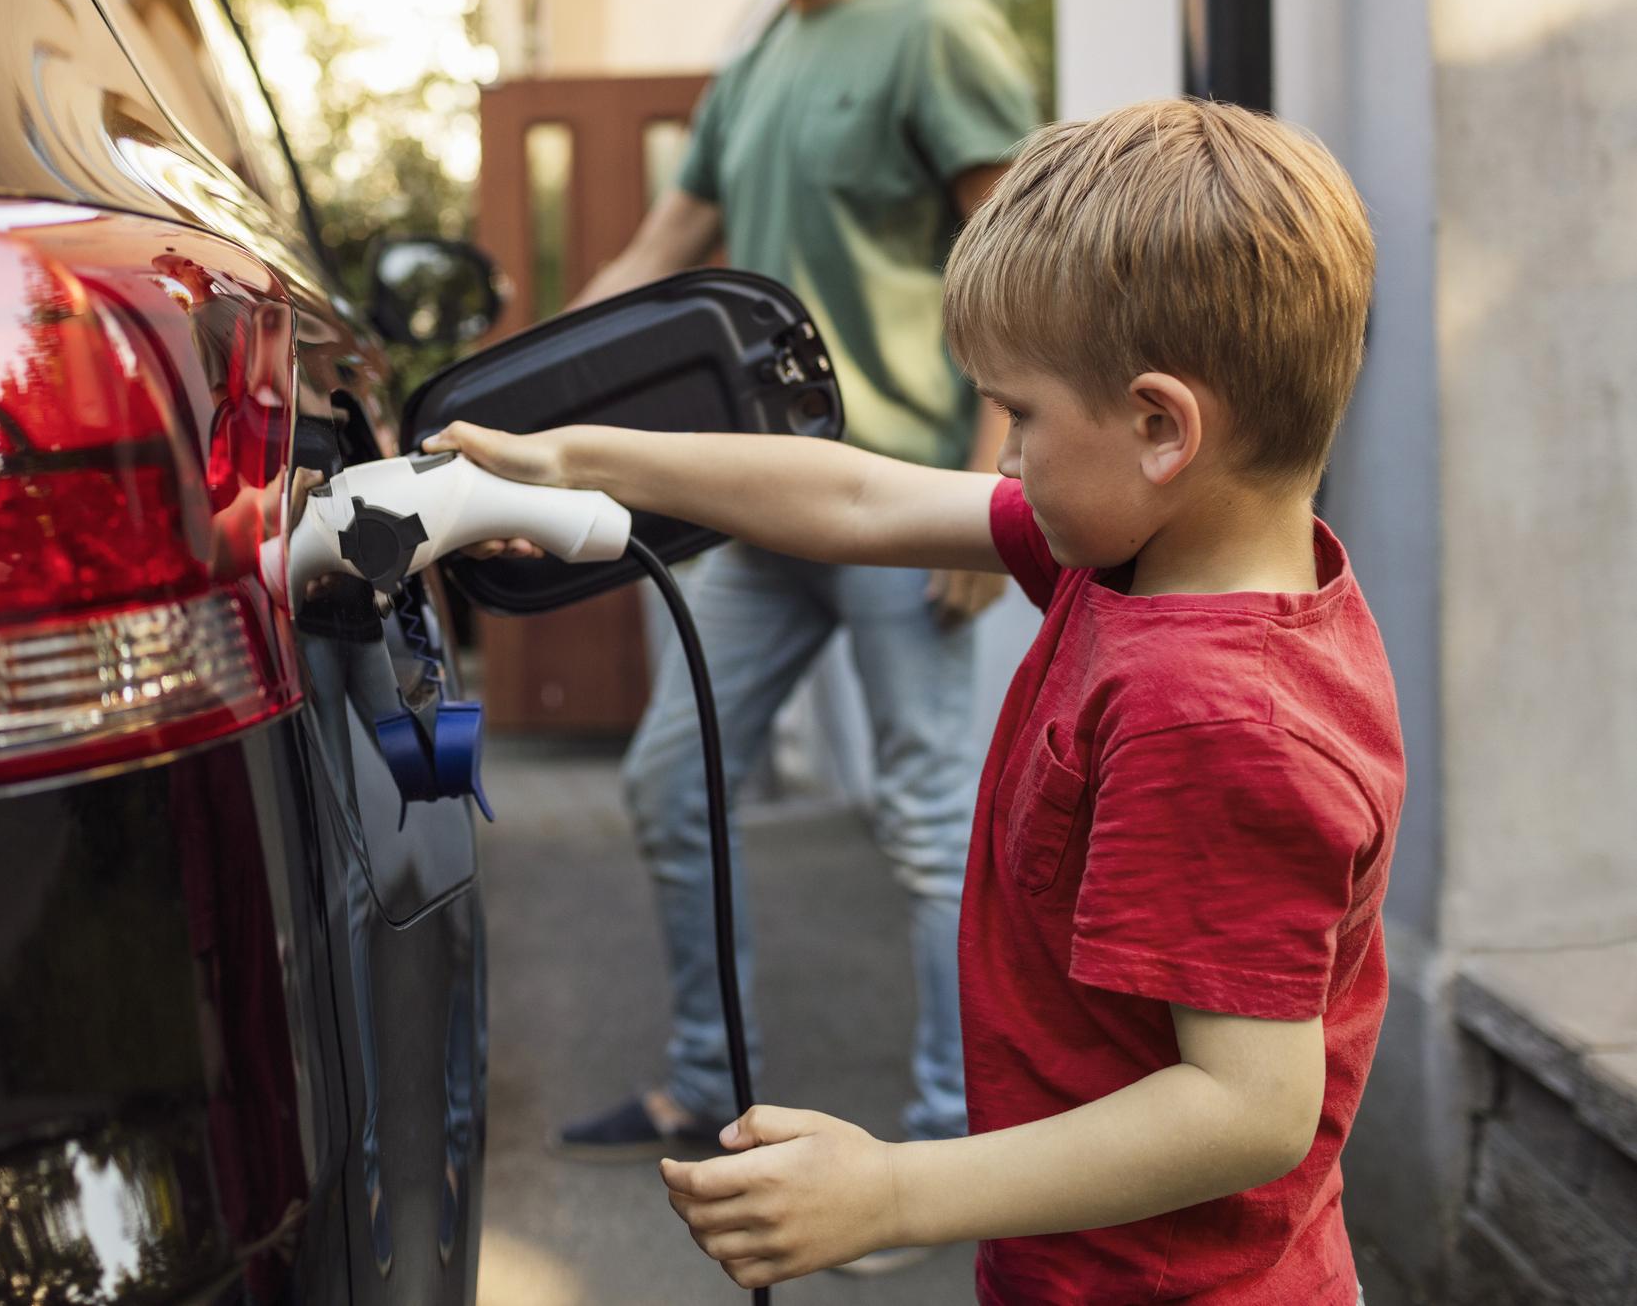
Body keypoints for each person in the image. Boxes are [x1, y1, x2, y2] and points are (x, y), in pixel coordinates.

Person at [431, 97, 1401, 1303]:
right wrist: (579, 458)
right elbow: (857, 500)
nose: (1003, 457)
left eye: (1024, 415)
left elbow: (1250, 1110)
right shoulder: (1155, 553)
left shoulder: (1216, 718)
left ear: (1160, 425)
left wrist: (895, 1191)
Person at [548, 0, 1040, 1194]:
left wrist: (994, 490)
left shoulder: (935, 31)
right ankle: (711, 1082)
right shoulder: (757, 53)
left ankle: (943, 1149)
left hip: (903, 502)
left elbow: (1016, 254)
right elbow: (665, 243)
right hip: (767, 508)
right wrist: (520, 390)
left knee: (931, 826)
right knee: (670, 780)